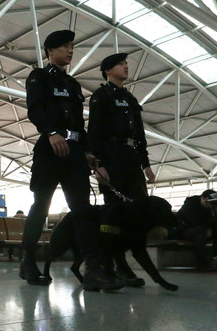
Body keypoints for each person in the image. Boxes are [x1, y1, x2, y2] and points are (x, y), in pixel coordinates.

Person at [20, 30, 120, 291]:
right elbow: (35, 109)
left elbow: (79, 123)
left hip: (75, 153)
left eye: (72, 46)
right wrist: (51, 132)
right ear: (50, 51)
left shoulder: (73, 84)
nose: (70, 50)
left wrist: (88, 153)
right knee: (41, 206)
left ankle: (93, 269)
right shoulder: (39, 77)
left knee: (83, 210)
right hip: (49, 151)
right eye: (64, 46)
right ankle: (28, 261)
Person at [87, 52, 155, 286]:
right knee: (114, 213)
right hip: (111, 156)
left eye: (126, 63)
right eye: (120, 64)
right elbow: (94, 131)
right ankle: (116, 264)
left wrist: (146, 164)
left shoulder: (129, 98)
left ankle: (130, 259)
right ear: (108, 71)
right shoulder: (101, 96)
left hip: (130, 157)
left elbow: (140, 134)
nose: (125, 67)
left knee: (138, 210)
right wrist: (98, 164)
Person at [169, 190, 217, 268]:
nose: (211, 205)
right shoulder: (190, 204)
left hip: (197, 230)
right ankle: (203, 262)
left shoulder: (209, 208)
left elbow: (211, 222)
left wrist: (211, 228)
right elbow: (192, 221)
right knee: (200, 232)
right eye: (210, 203)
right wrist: (207, 229)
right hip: (182, 231)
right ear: (204, 199)